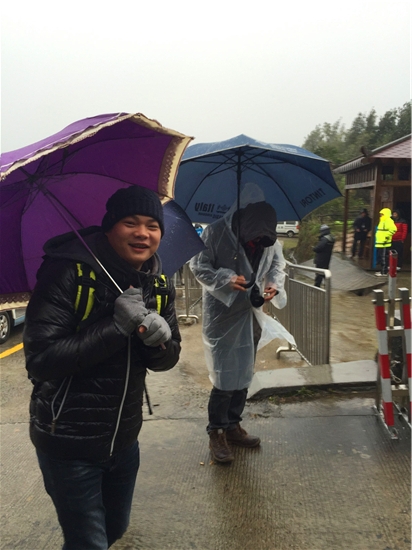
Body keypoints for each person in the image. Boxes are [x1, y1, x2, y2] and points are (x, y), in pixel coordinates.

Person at [23, 186, 181, 549]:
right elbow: (41, 360)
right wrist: (115, 327)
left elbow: (168, 358)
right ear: (110, 227)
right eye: (130, 222)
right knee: (88, 543)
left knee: (114, 530)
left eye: (152, 225)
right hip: (68, 443)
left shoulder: (158, 283)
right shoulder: (68, 272)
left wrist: (158, 341)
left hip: (124, 440)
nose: (143, 233)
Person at [189, 183, 294, 464]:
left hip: (250, 313)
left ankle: (233, 426)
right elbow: (198, 266)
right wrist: (225, 278)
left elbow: (276, 265)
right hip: (222, 315)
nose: (257, 243)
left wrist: (273, 285)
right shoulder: (215, 233)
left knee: (244, 371)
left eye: (263, 239)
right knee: (224, 376)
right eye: (254, 238)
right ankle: (216, 432)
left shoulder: (268, 239)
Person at [375, 207, 397, 276]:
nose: (381, 215)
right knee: (380, 257)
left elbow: (393, 229)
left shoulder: (389, 221)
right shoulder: (382, 221)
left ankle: (384, 272)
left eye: (382, 214)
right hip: (380, 242)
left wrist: (386, 237)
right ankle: (382, 270)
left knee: (384, 257)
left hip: (384, 243)